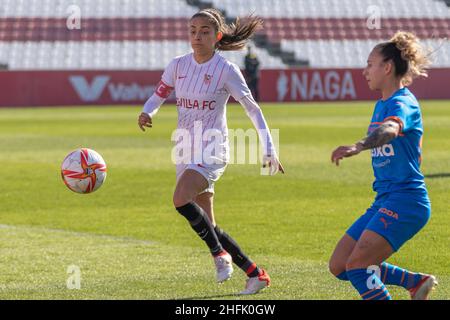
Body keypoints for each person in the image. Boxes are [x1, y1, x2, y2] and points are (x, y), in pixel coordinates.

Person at [138, 8, 284, 295]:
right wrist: (147, 111)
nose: (197, 36)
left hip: (212, 149)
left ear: (217, 36)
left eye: (204, 31)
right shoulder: (178, 65)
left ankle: (219, 256)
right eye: (193, 30)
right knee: (210, 225)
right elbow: (160, 93)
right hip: (184, 148)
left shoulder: (226, 70)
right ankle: (256, 274)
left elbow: (253, 110)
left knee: (180, 199)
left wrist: (269, 149)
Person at [329, 31, 437, 300]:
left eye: (370, 64)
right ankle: (415, 282)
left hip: (406, 201)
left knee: (357, 266)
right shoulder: (382, 103)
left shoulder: (402, 102)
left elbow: (390, 129)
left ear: (387, 68)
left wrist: (358, 146)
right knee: (340, 265)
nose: (365, 71)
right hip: (386, 198)